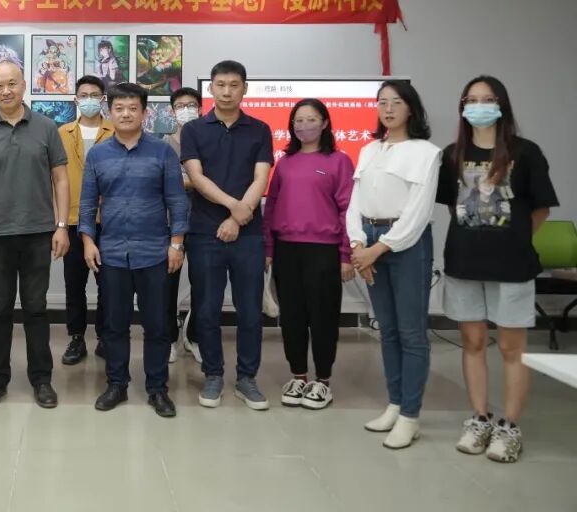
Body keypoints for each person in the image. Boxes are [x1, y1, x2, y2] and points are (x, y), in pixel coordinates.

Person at [437, 76, 557, 462]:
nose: (479, 106)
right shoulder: (452, 155)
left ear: (501, 104)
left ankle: (509, 426)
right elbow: (451, 205)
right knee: (473, 343)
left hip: (513, 265)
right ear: (462, 107)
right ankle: (480, 418)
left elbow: (541, 208)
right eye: (471, 100)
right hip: (464, 263)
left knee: (511, 348)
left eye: (487, 99)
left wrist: (514, 238)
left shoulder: (526, 152)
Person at [0, 61, 70, 409]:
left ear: (24, 85)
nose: (5, 90)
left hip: (39, 232)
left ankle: (42, 379)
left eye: (12, 83)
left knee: (36, 308)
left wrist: (61, 226)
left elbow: (60, 179)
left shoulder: (46, 127)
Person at [80, 83, 188, 418]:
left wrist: (176, 244)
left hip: (155, 252)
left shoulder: (162, 152)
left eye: (133, 108)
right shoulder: (98, 154)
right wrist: (87, 241)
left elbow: (177, 201)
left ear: (144, 112)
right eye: (119, 108)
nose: (126, 114)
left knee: (157, 326)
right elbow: (87, 203)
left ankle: (157, 389)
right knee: (114, 325)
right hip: (112, 252)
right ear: (110, 111)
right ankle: (117, 384)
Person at [346, 80, 441, 450]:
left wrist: (377, 250)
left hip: (405, 245)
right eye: (382, 102)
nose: (387, 109)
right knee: (387, 330)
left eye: (396, 102)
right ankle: (395, 404)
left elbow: (418, 214)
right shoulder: (370, 149)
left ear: (411, 108)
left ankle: (410, 416)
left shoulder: (426, 153)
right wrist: (359, 244)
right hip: (370, 239)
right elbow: (355, 202)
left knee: (411, 333)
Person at [181, 60, 273, 410]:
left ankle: (247, 378)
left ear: (244, 89)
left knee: (250, 310)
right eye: (220, 85)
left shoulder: (260, 129)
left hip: (249, 234)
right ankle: (213, 374)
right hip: (205, 231)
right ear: (211, 88)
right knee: (206, 309)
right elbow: (197, 178)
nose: (227, 91)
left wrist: (238, 217)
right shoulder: (194, 130)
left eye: (234, 85)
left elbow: (261, 178)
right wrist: (235, 207)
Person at [263, 99, 355, 411]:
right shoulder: (285, 163)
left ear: (325, 123)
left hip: (324, 251)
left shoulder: (339, 161)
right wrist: (269, 248)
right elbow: (272, 206)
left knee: (323, 316)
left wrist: (345, 254)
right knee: (292, 317)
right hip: (287, 249)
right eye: (298, 120)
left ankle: (323, 380)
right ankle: (298, 376)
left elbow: (347, 209)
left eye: (311, 119)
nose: (304, 126)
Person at [58, 75, 115, 365]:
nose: (89, 99)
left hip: (109, 220)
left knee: (109, 283)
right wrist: (58, 223)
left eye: (95, 95)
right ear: (76, 99)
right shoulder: (62, 133)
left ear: (103, 99)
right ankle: (76, 337)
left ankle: (105, 337)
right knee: (74, 283)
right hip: (72, 219)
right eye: (84, 95)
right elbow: (54, 179)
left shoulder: (115, 131)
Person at [166, 87, 203, 364]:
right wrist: (196, 181)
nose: (186, 110)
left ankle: (194, 337)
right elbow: (161, 183)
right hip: (169, 225)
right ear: (172, 111)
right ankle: (169, 338)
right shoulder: (163, 145)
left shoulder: (209, 141)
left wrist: (185, 181)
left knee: (203, 285)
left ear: (200, 109)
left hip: (203, 223)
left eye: (191, 105)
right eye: (180, 106)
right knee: (166, 285)